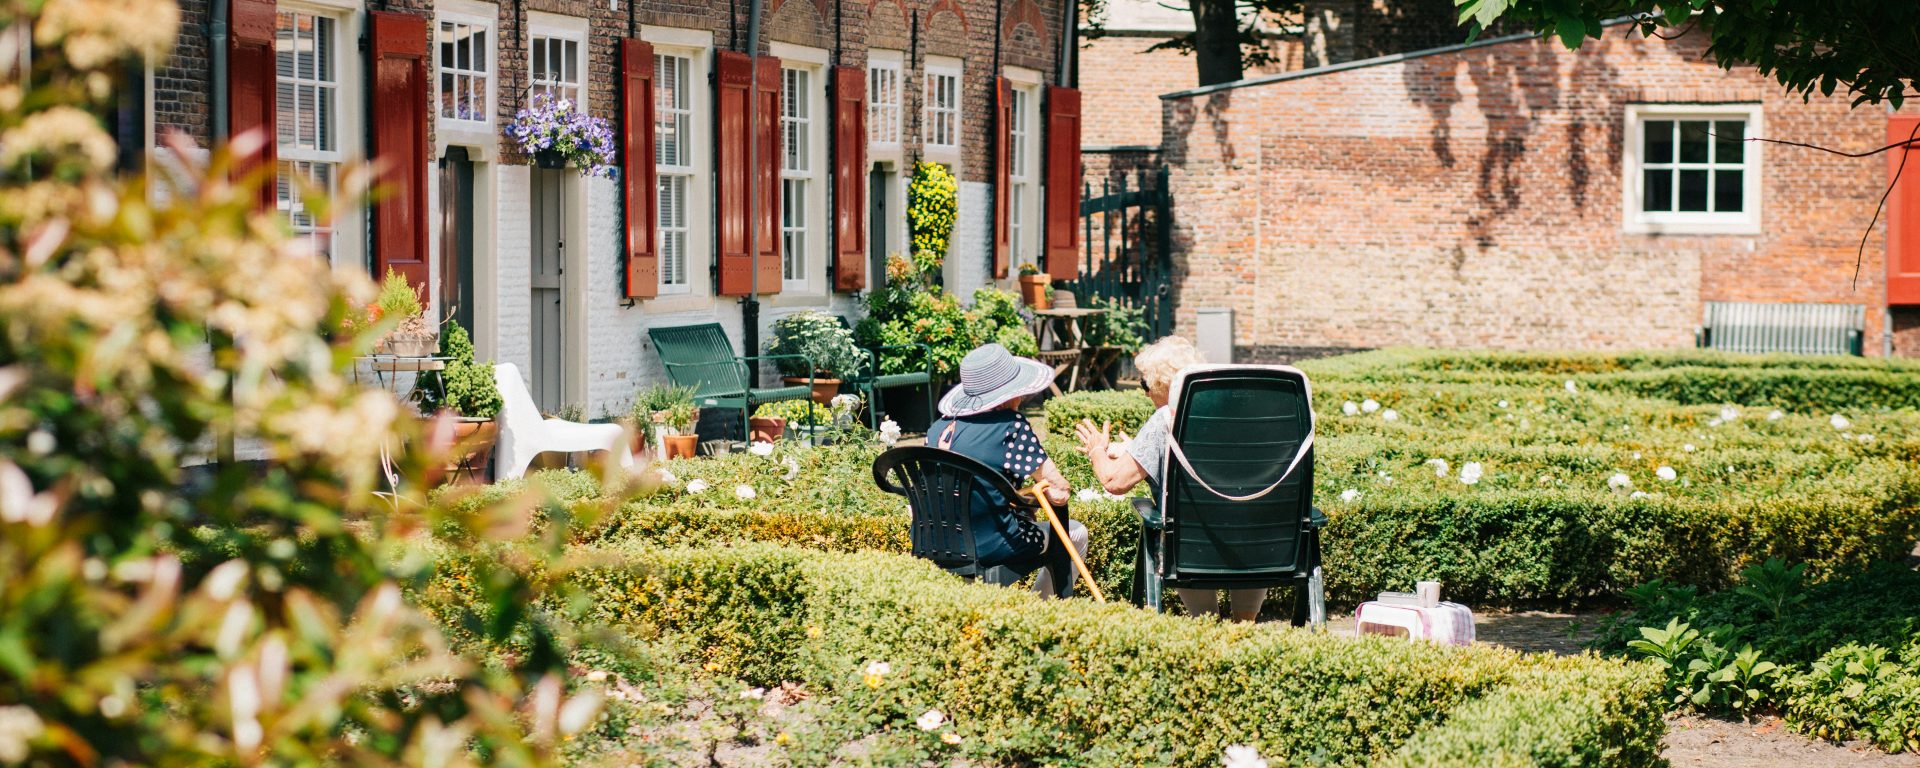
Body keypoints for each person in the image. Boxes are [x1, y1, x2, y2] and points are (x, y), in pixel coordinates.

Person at [1074, 336, 1269, 622]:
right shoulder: (1238, 417)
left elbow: (1114, 482)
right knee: (1238, 521)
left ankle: (1208, 625)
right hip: (1257, 542)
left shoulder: (1165, 417)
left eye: (1144, 384)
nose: (1143, 392)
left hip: (1193, 545)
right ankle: (1244, 624)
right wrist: (1137, 451)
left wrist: (1096, 451)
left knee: (1177, 525)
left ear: (1162, 385)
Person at [929, 344, 1089, 598]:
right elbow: (1059, 492)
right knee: (1077, 533)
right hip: (991, 545)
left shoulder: (937, 429)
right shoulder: (1009, 427)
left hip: (937, 542)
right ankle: (1041, 612)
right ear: (1009, 394)